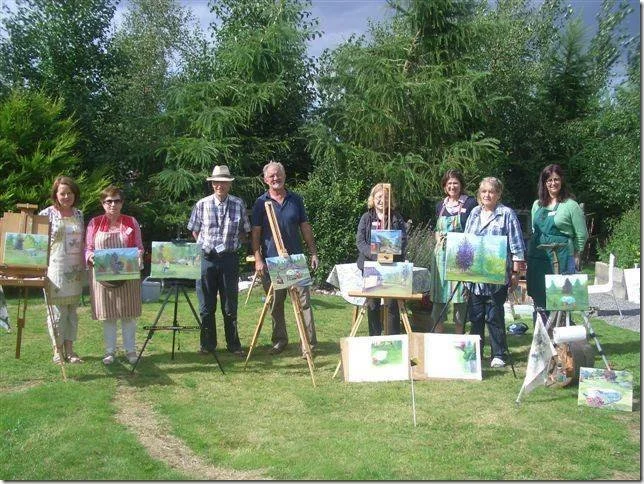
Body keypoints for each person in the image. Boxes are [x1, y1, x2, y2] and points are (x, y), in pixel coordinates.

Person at [251, 161, 318, 356]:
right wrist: (258, 258)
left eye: (278, 174)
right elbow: (255, 233)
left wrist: (313, 251)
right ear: (265, 180)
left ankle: (308, 344)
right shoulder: (260, 202)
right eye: (271, 176)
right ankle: (280, 340)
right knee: (276, 304)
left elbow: (305, 227)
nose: (275, 178)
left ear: (284, 176)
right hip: (272, 261)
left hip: (295, 260)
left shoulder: (295, 199)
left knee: (304, 303)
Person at [187, 165, 251, 357]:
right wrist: (206, 246)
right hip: (206, 260)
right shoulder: (202, 204)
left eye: (223, 182)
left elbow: (244, 232)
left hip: (229, 260)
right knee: (206, 306)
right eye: (216, 182)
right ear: (212, 184)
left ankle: (234, 345)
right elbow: (194, 230)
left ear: (229, 184)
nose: (219, 185)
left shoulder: (238, 204)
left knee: (230, 305)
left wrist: (230, 245)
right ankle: (207, 345)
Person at [464, 177, 526, 368]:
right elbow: (466, 241)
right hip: (474, 277)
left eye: (491, 192)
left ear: (498, 194)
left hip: (496, 276)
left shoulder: (506, 214)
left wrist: (515, 274)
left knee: (494, 315)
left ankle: (498, 353)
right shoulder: (474, 212)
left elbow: (517, 245)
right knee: (475, 317)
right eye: (483, 192)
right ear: (479, 194)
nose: (487, 195)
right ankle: (475, 353)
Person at [85, 186, 143, 365]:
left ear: (122, 203)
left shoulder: (131, 222)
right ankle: (109, 352)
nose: (113, 205)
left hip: (127, 275)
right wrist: (91, 256)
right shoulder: (94, 223)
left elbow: (139, 246)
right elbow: (88, 248)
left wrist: (139, 256)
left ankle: (130, 350)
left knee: (128, 315)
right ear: (102, 203)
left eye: (117, 200)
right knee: (108, 315)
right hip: (103, 277)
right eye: (108, 201)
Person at [526, 164, 588, 317]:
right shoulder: (537, 205)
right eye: (549, 180)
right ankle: (541, 337)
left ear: (562, 181)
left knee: (561, 298)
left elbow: (582, 234)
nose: (553, 183)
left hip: (562, 256)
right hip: (538, 257)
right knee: (539, 295)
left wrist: (577, 254)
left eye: (556, 179)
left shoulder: (571, 206)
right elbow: (536, 231)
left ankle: (561, 338)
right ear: (544, 183)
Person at [39, 176, 85, 364]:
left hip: (75, 270)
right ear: (56, 195)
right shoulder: (46, 214)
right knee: (57, 312)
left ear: (75, 194)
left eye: (70, 193)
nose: (66, 196)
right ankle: (57, 351)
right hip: (55, 268)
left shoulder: (79, 214)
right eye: (62, 193)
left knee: (72, 312)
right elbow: (39, 243)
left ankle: (71, 350)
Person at [429, 169, 477, 334]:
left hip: (460, 256)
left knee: (460, 297)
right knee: (439, 296)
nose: (452, 186)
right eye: (449, 183)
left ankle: (459, 338)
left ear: (461, 185)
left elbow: (473, 230)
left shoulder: (470, 203)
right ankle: (438, 337)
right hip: (441, 257)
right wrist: (439, 241)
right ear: (444, 186)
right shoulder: (440, 205)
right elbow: (437, 229)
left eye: (455, 183)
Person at [356, 183, 408, 335]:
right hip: (371, 266)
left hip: (392, 267)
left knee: (392, 304)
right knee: (373, 304)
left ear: (389, 200)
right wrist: (374, 255)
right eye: (378, 197)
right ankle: (375, 338)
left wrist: (391, 254)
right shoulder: (366, 218)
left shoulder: (396, 218)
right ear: (373, 199)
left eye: (385, 198)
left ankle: (393, 340)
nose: (381, 201)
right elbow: (360, 241)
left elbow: (403, 240)